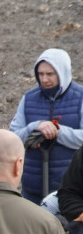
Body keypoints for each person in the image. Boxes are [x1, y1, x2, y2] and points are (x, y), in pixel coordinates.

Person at [10, 49, 83, 203]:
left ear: (62, 72)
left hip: (71, 191)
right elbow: (13, 138)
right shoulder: (29, 99)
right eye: (40, 74)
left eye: (50, 74)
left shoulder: (80, 98)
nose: (44, 79)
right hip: (32, 190)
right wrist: (35, 127)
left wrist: (58, 131)